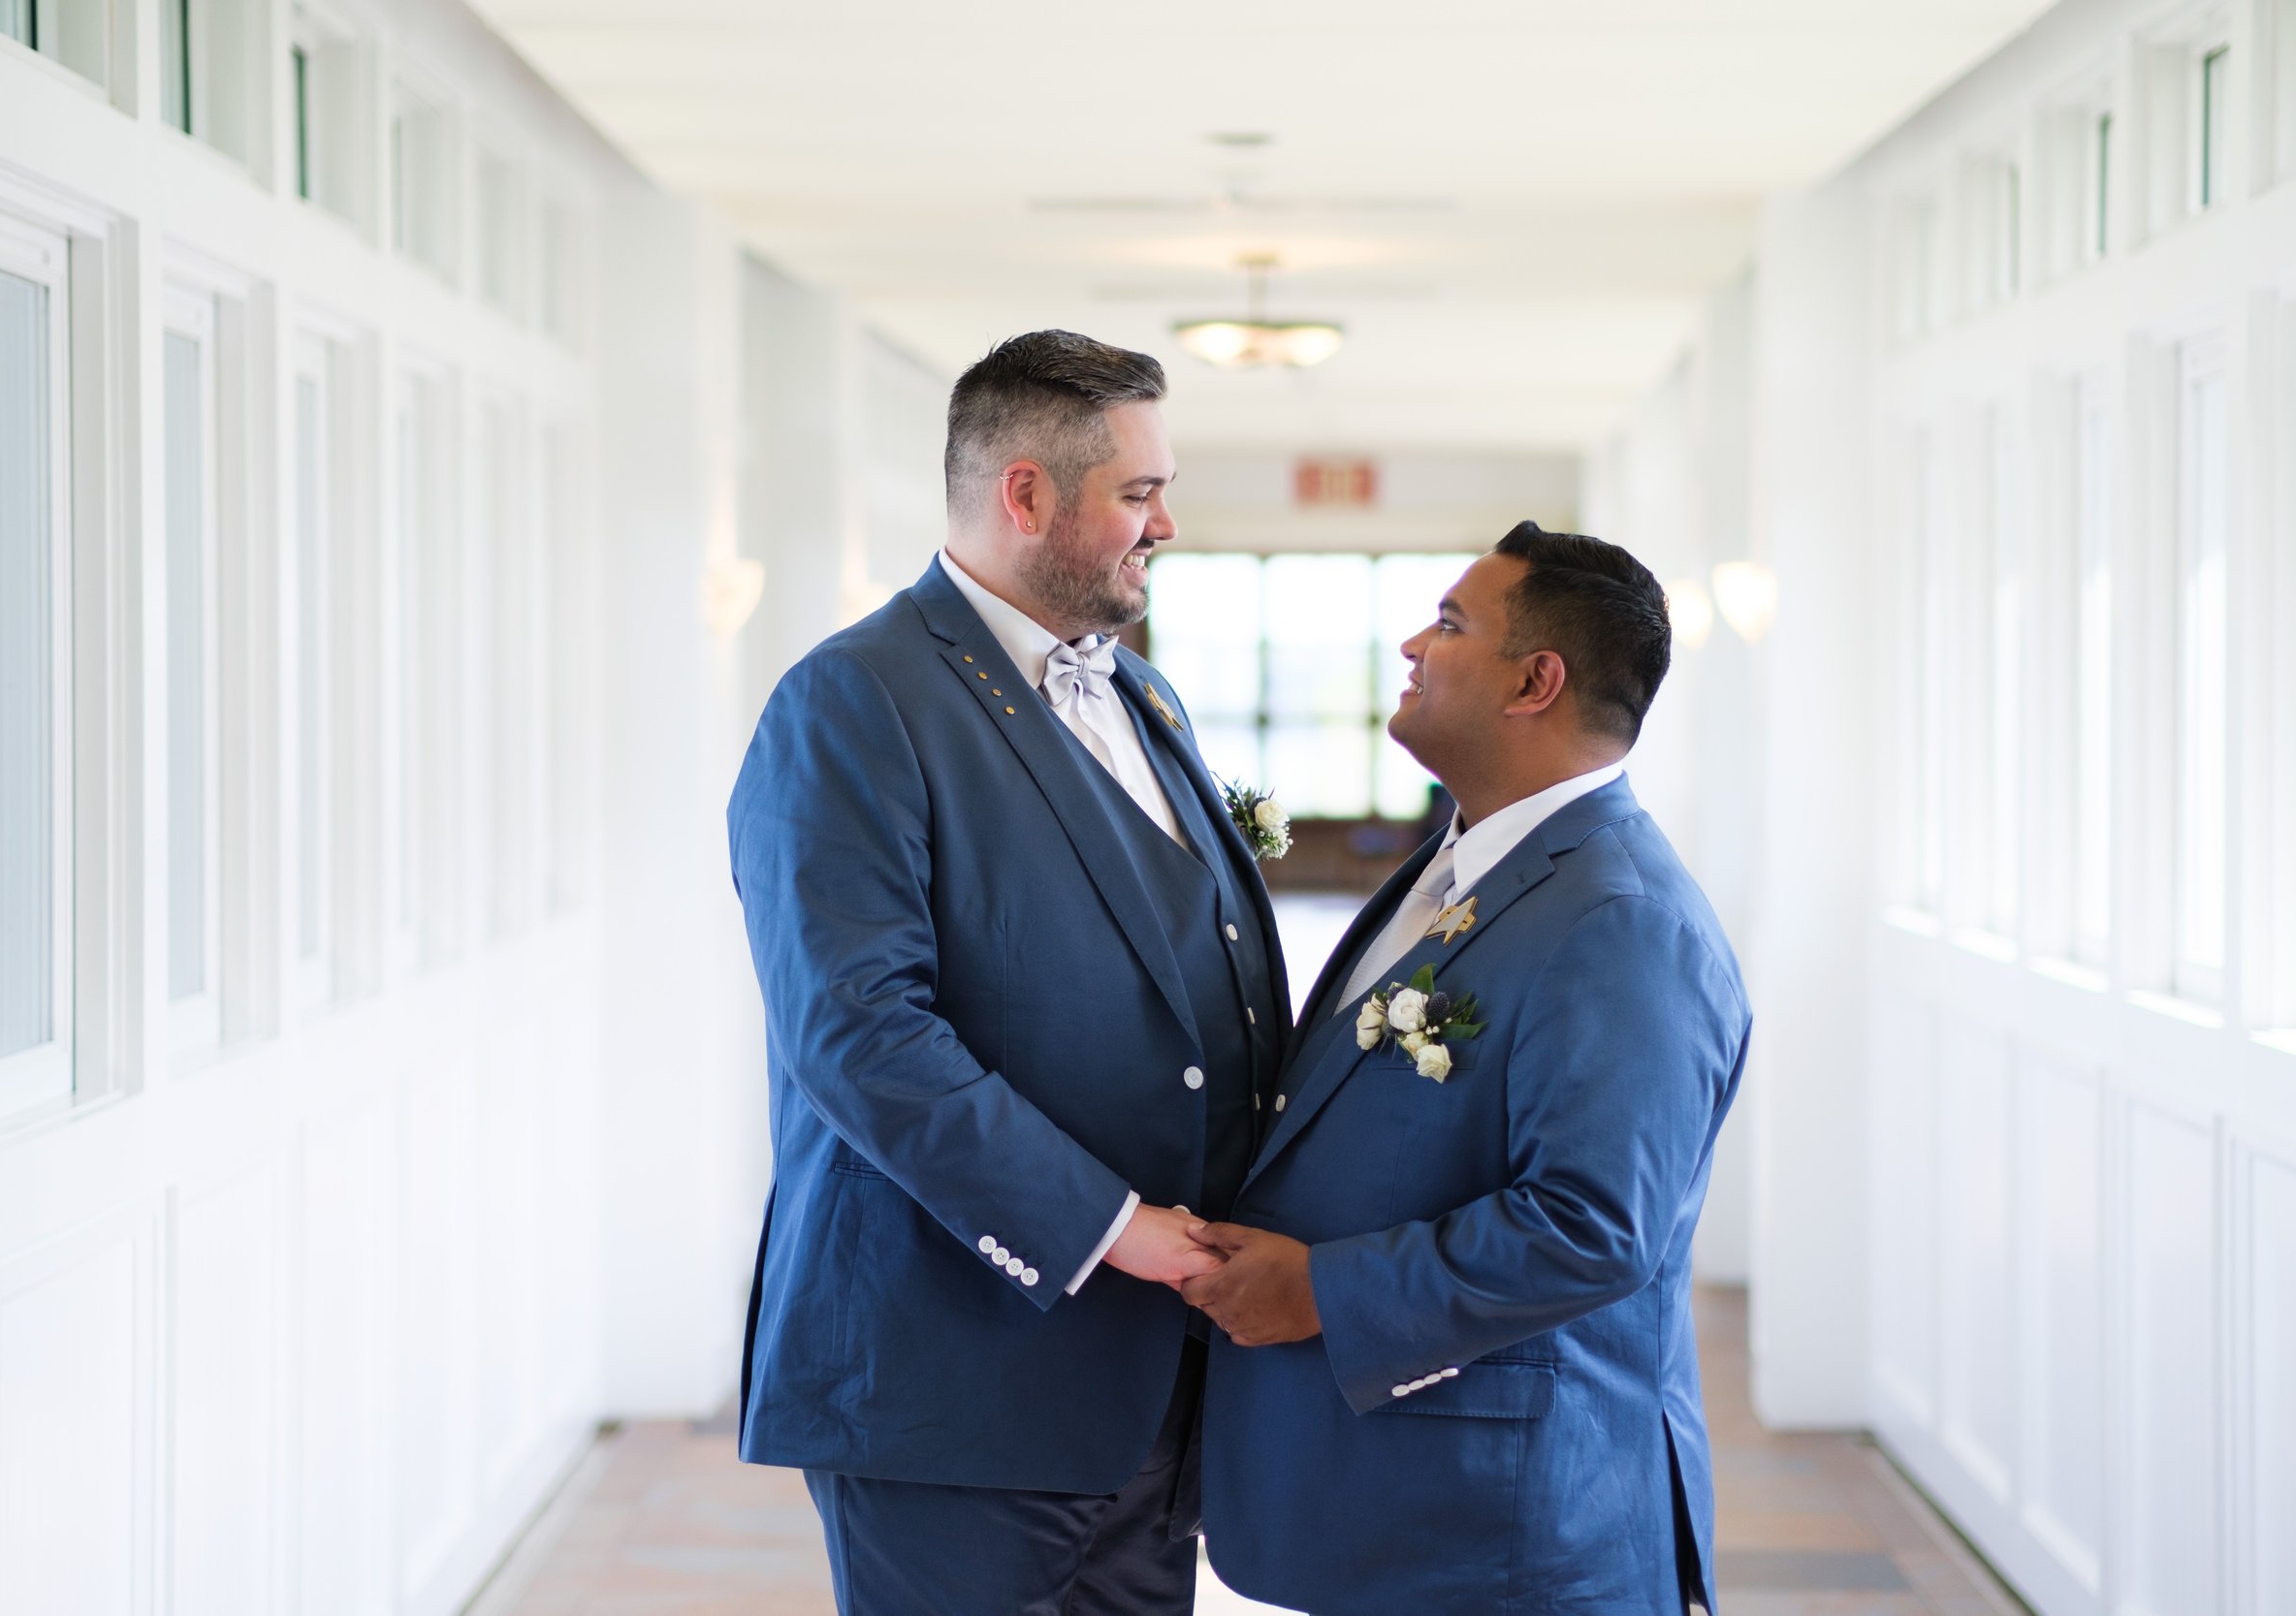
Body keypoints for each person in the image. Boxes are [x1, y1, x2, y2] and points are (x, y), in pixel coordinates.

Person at [726, 330, 1289, 1615]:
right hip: (952, 1378)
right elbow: (860, 1033)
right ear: (1027, 492)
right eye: (1139, 492)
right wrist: (1112, 1229)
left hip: (1153, 1376)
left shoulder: (1146, 697)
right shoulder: (850, 703)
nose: (1169, 523)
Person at [1182, 524, 1747, 1616]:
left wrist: (1318, 1291)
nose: (1411, 643)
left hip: (1512, 1523)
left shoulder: (1619, 920)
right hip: (1402, 1495)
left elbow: (1593, 1224)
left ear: (1535, 680)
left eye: (1448, 624)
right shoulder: (1460, 859)